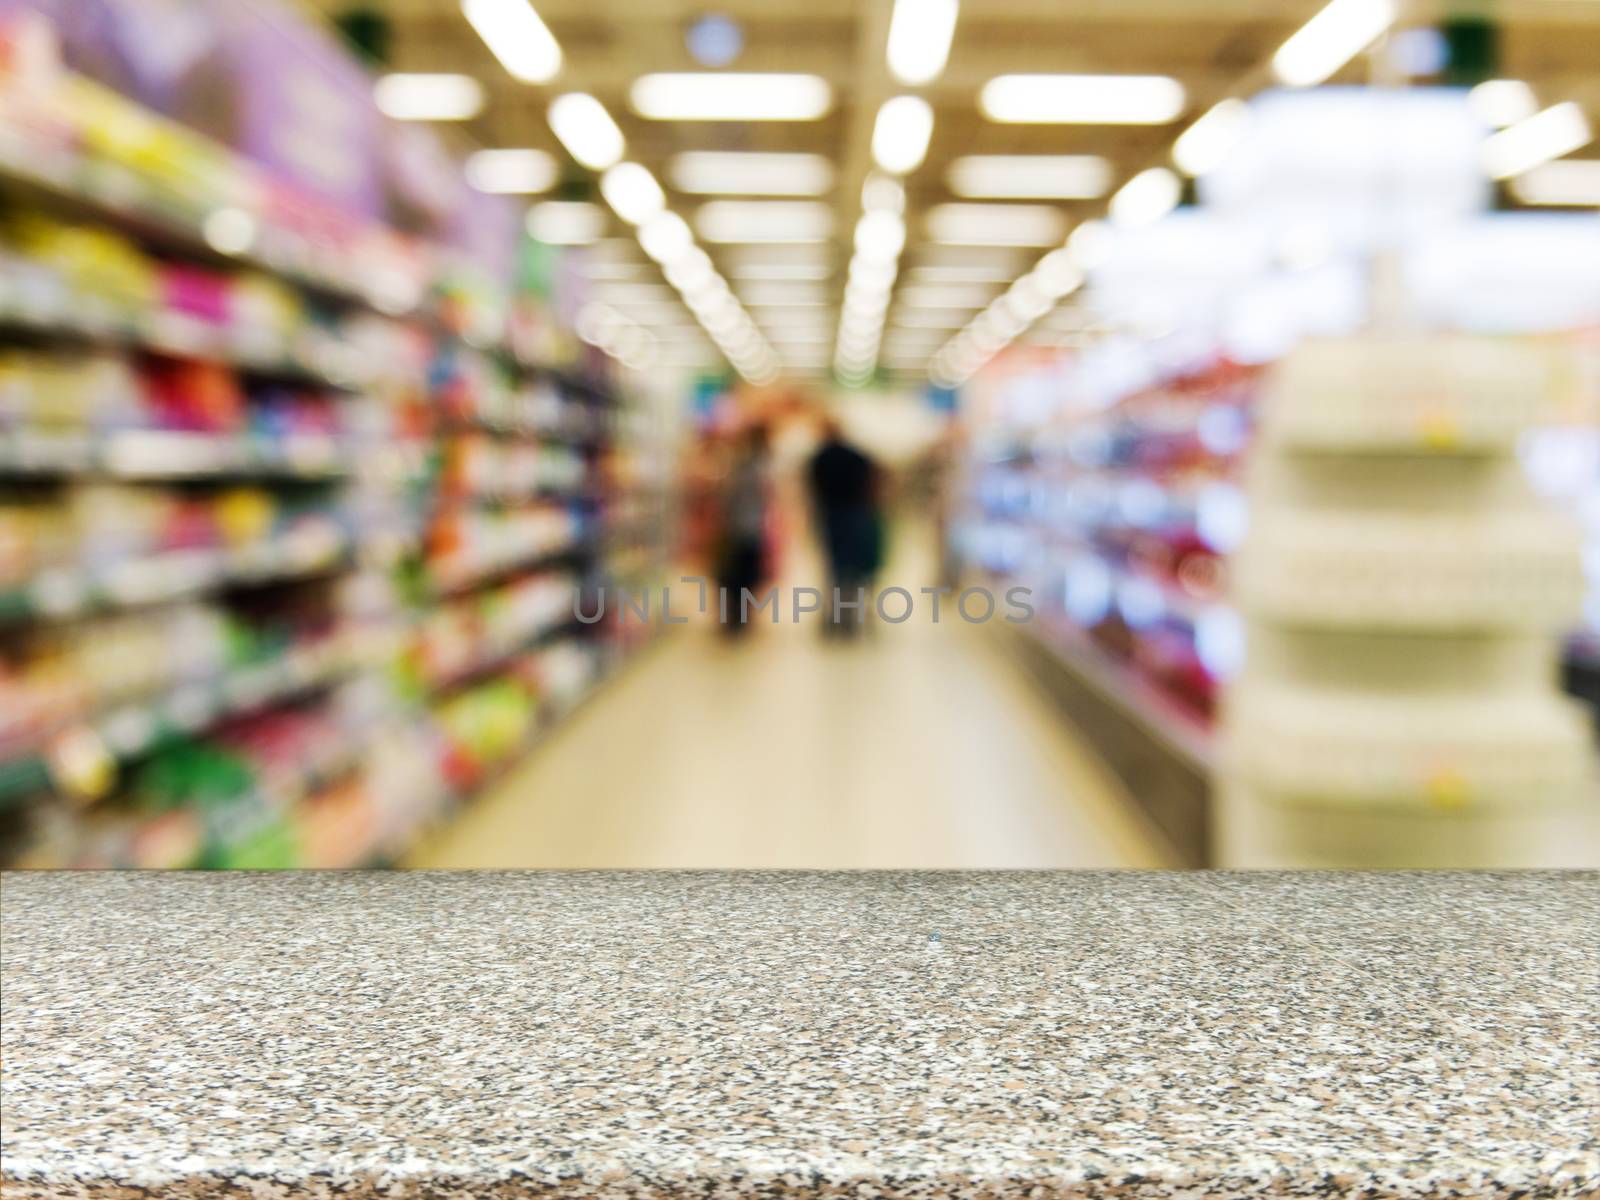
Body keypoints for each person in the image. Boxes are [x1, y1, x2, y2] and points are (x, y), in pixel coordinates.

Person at [806, 417, 882, 639]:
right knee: (854, 568)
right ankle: (852, 616)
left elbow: (813, 490)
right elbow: (872, 484)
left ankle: (836, 616)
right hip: (855, 515)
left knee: (834, 568)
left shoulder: (820, 458)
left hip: (831, 516)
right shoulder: (858, 456)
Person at [715, 424, 771, 636]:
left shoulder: (745, 467)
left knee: (737, 575)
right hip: (748, 526)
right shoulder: (756, 467)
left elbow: (729, 497)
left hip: (741, 526)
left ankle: (736, 615)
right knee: (742, 575)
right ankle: (739, 615)